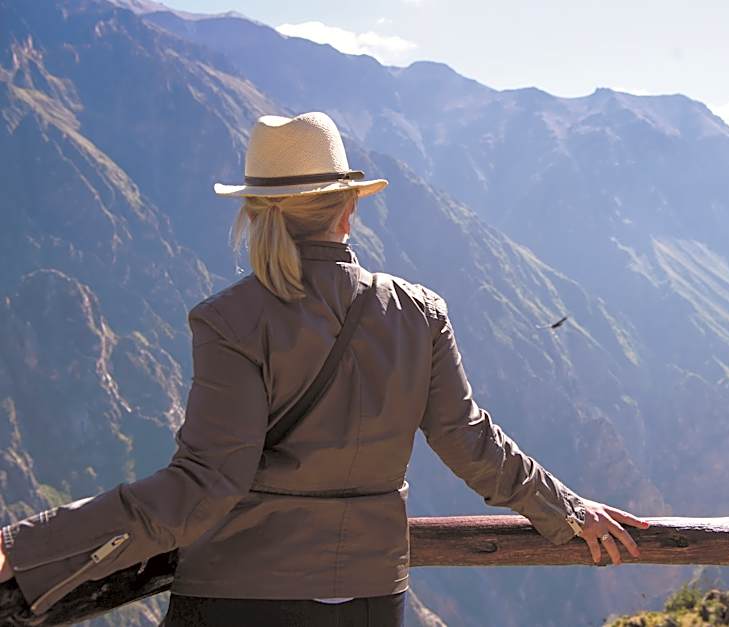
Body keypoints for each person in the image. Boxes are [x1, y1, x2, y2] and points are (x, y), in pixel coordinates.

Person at [0, 111, 649, 626]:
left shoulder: (230, 321)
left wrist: (23, 546)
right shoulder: (420, 314)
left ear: (256, 213)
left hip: (240, 598)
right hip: (372, 601)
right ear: (348, 209)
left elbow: (203, 487)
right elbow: (469, 441)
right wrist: (568, 509)